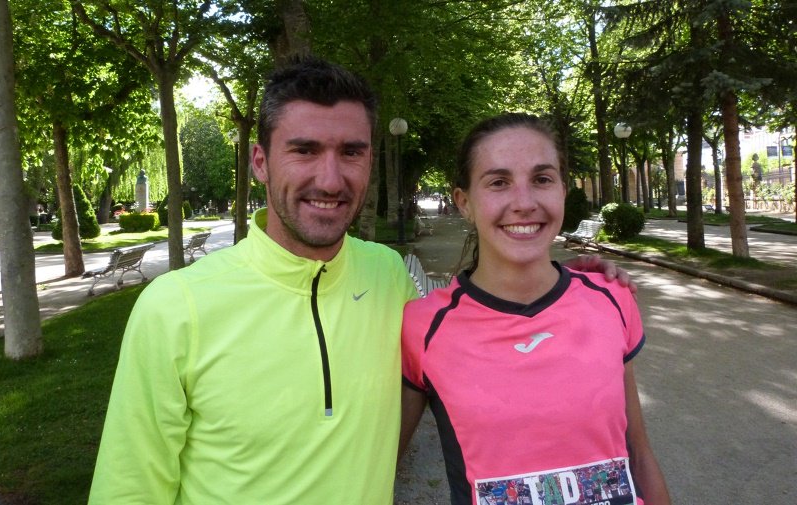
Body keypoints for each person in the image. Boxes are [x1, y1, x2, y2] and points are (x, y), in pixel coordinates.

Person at [89, 59, 633, 504]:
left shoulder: (387, 275)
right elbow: (129, 491)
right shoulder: (174, 306)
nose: (330, 178)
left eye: (351, 151)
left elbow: (476, 328)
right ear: (260, 161)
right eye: (304, 150)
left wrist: (560, 276)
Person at [400, 113, 671, 505]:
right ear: (465, 203)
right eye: (498, 182)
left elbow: (640, 455)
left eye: (542, 179)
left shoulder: (612, 298)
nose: (524, 203)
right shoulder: (423, 325)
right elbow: (378, 466)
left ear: (562, 189)